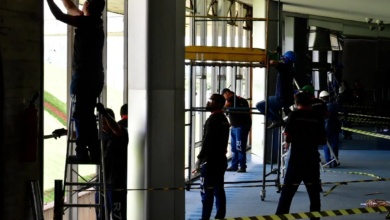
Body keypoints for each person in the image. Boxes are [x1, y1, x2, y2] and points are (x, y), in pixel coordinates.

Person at [47, 0, 106, 162]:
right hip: (95, 77)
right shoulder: (94, 22)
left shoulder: (86, 22)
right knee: (86, 114)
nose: (82, 4)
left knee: (80, 115)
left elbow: (60, 15)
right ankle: (93, 150)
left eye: (85, 3)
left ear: (87, 7)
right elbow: (69, 7)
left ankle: (82, 150)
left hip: (84, 77)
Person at [275, 92, 326, 220]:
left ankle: (280, 217)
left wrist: (290, 141)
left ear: (297, 103)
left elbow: (288, 135)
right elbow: (322, 140)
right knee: (314, 195)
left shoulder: (294, 115)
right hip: (312, 158)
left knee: (287, 194)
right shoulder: (317, 116)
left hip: (296, 159)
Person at [194, 94, 230, 220]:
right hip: (220, 160)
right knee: (219, 189)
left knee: (207, 191)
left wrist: (199, 158)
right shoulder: (224, 119)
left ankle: (205, 217)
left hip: (210, 161)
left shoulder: (213, 120)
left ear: (218, 104)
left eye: (211, 101)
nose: (208, 103)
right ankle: (220, 215)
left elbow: (207, 141)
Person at [95, 103, 129, 220]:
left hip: (116, 183)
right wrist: (65, 132)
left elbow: (116, 129)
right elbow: (84, 135)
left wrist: (104, 114)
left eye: (105, 122)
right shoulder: (102, 135)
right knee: (101, 216)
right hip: (102, 181)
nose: (103, 126)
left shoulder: (121, 133)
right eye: (101, 123)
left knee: (117, 216)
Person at [256, 51, 296, 129]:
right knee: (270, 103)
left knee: (260, 105)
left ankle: (276, 119)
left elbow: (273, 62)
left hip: (281, 98)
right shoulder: (291, 69)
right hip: (288, 99)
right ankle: (283, 112)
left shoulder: (284, 67)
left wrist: (267, 59)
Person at [221, 88, 252, 173]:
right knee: (235, 147)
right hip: (236, 126)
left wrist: (221, 109)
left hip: (240, 127)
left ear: (227, 93)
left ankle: (242, 166)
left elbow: (224, 108)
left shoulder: (233, 99)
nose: (225, 99)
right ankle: (235, 165)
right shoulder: (240, 100)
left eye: (224, 96)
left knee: (239, 147)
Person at [319, 91, 341, 168]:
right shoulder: (334, 105)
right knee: (335, 145)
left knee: (326, 146)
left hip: (325, 129)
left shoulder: (320, 107)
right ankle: (334, 161)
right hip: (335, 128)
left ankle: (328, 162)